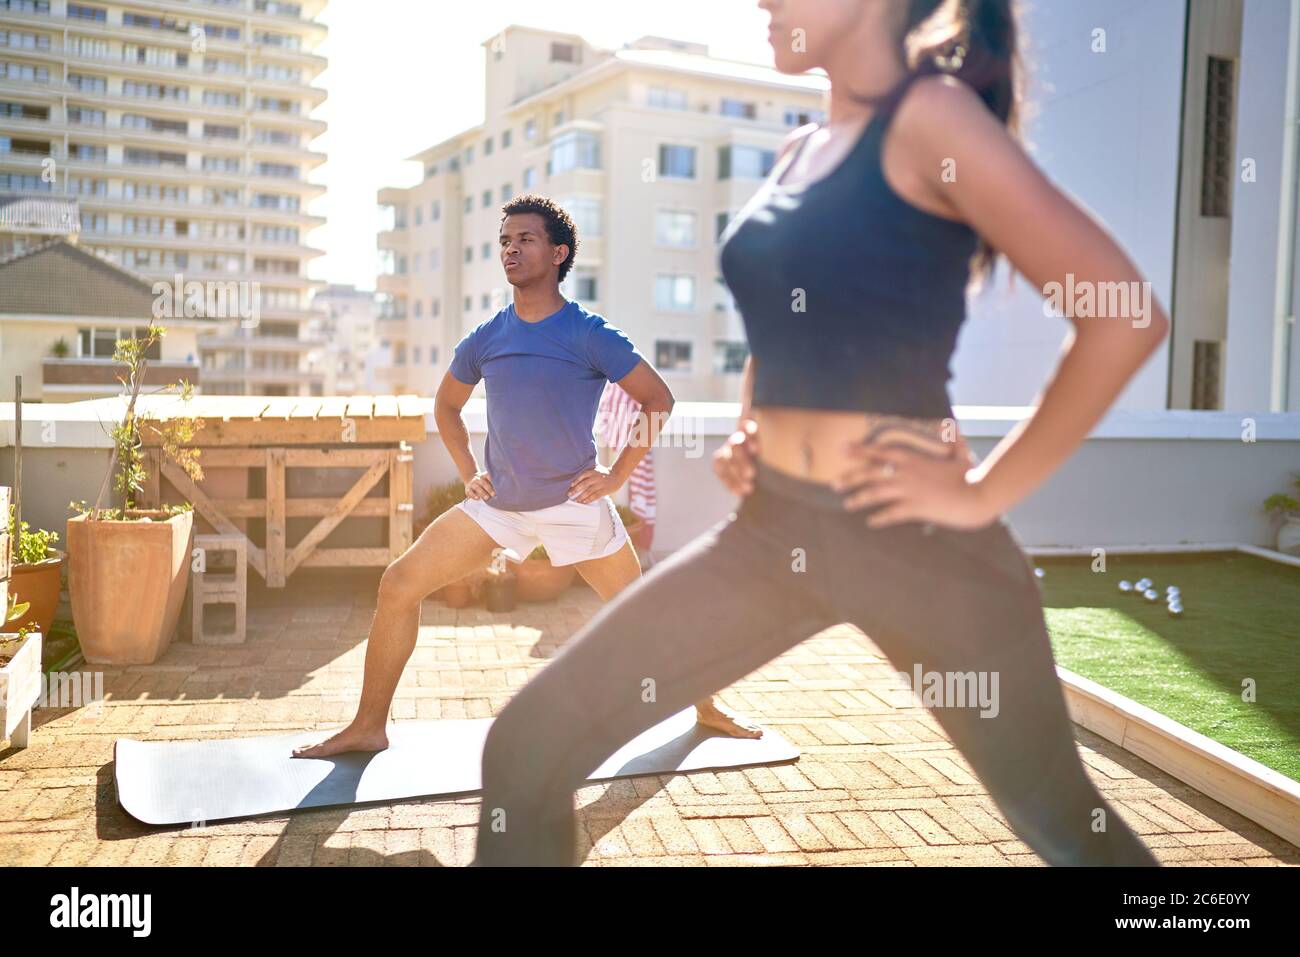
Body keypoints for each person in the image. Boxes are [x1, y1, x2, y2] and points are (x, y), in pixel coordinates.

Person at [472, 0, 1166, 866]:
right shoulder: (802, 148)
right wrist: (756, 423)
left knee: (1066, 821)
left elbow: (1124, 313)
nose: (761, 2)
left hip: (918, 543)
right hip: (776, 529)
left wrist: (984, 490)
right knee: (526, 751)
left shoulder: (930, 118)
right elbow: (783, 310)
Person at [293, 195, 760, 760]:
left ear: (559, 253)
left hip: (573, 506)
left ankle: (707, 706)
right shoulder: (487, 337)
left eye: (526, 240)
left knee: (644, 613)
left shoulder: (589, 333)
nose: (511, 249)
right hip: (501, 505)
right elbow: (445, 408)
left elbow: (657, 400)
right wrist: (470, 473)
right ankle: (369, 725)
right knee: (398, 586)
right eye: (505, 241)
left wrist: (614, 476)